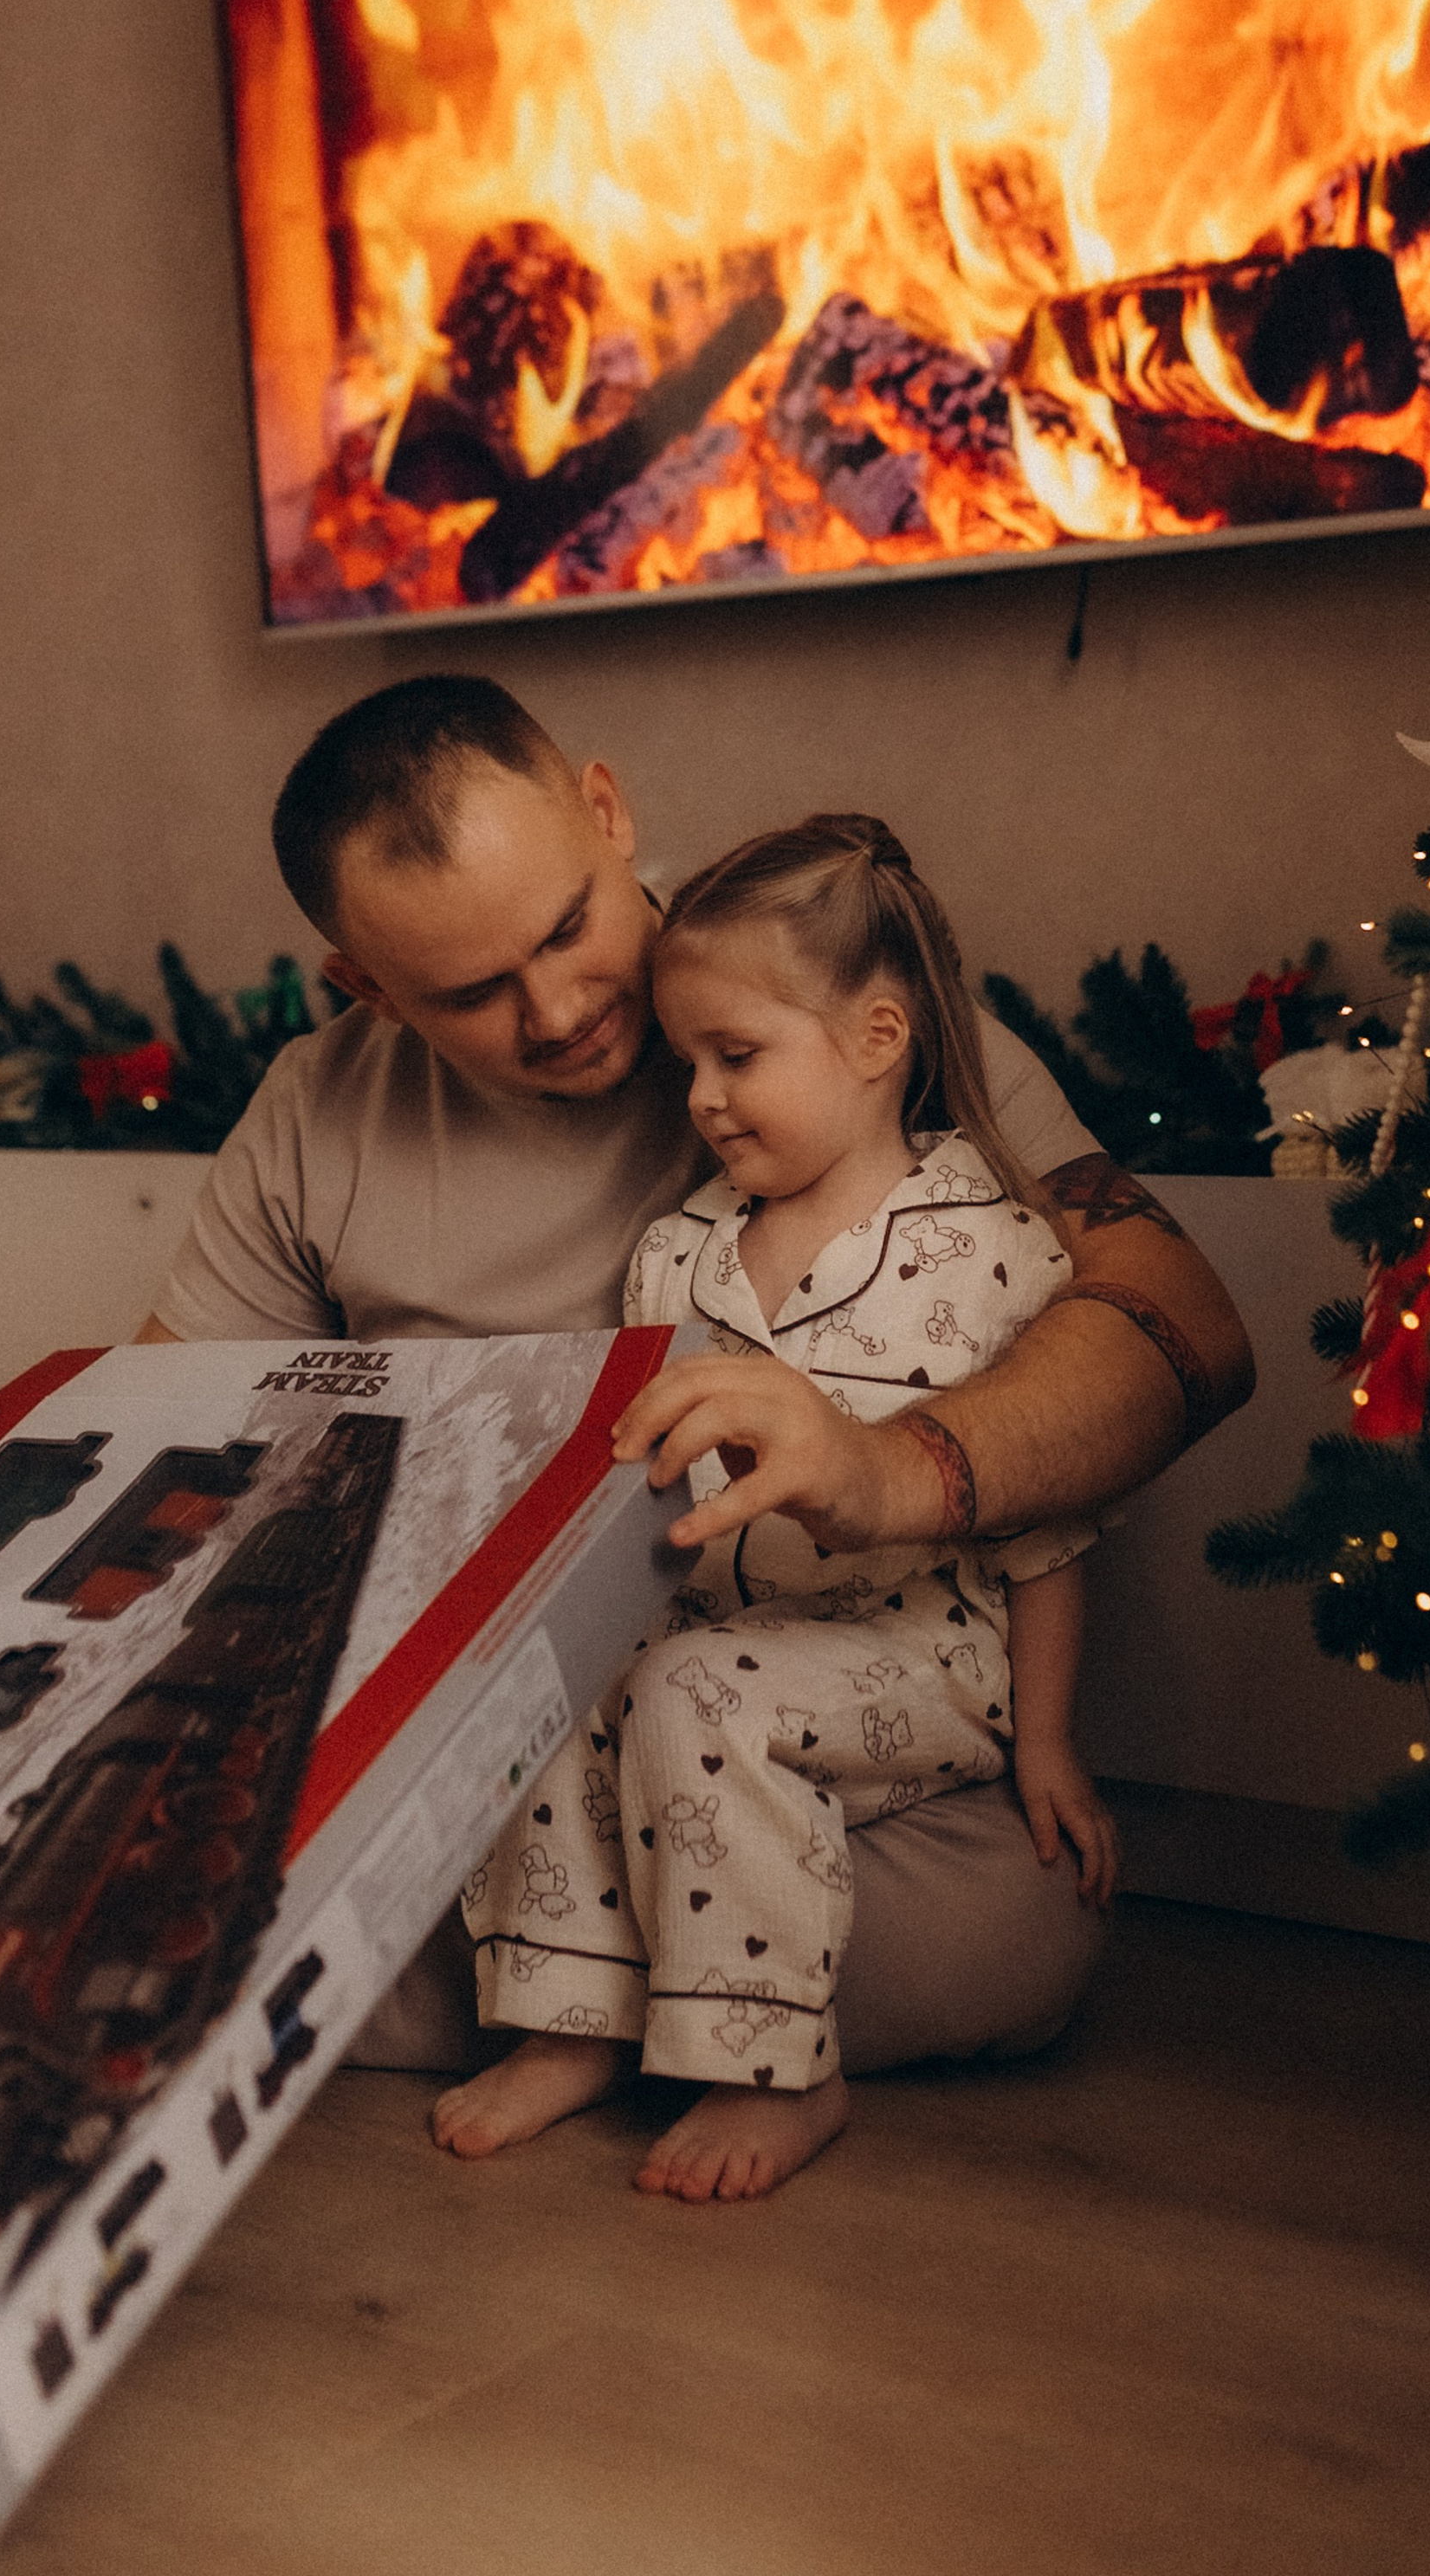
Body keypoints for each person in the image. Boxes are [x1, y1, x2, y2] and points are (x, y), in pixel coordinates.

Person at [139, 676, 1252, 2066]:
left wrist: (889, 1470)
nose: (556, 1011)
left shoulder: (811, 993)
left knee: (1010, 1925)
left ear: (606, 814)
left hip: (821, 1721)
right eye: (473, 993)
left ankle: (559, 1994)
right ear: (364, 987)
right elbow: (165, 1452)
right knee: (215, 1868)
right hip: (522, 1735)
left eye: (568, 928)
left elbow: (1184, 1324)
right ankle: (655, 1997)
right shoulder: (319, 1111)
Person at [439, 813, 1122, 2200]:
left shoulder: (988, 1248)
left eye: (735, 1057)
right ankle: (568, 2024)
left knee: (702, 1695)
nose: (697, 1095)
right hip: (711, 1628)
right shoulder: (679, 1254)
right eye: (688, 1059)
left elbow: (1047, 1531)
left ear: (877, 1040)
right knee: (557, 1669)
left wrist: (1046, 1742)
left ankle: (778, 2070)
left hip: (925, 1655)